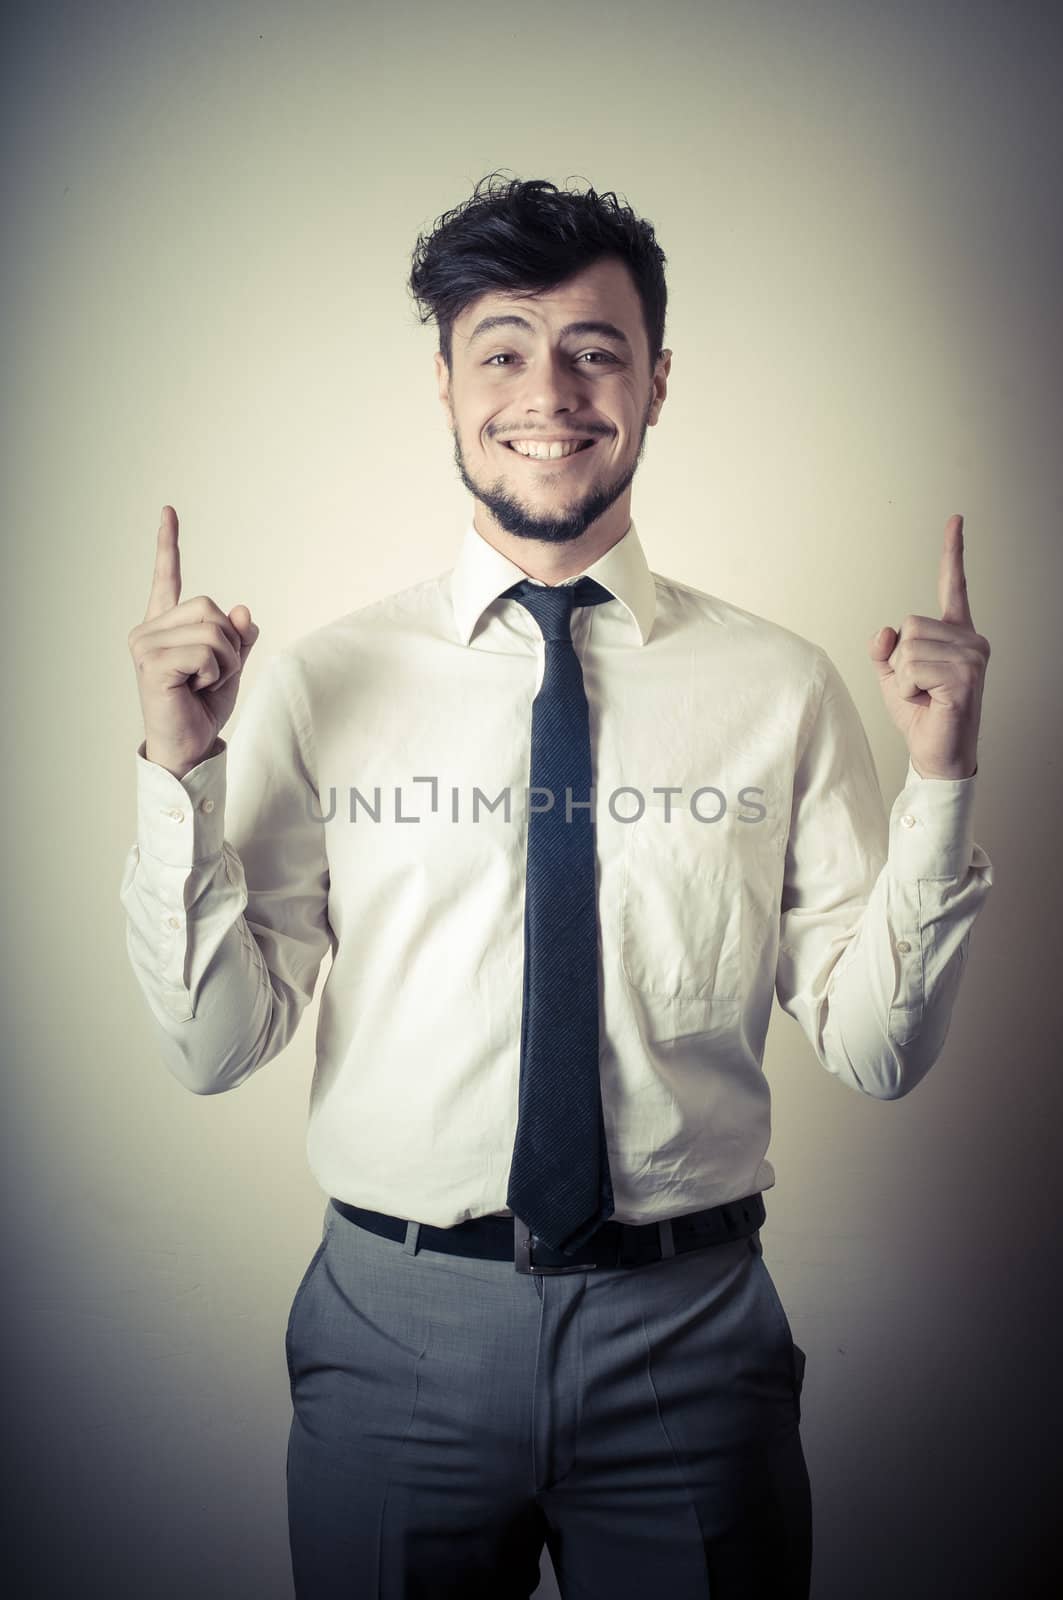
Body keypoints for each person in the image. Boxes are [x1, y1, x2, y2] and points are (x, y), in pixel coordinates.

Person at [120, 172, 994, 1599]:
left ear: (656, 379)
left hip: (692, 1343)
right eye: (503, 348)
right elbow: (215, 1045)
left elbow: (878, 1049)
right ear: (449, 386)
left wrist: (943, 783)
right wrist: (177, 770)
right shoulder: (322, 683)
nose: (551, 389)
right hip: (392, 1338)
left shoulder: (781, 689)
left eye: (595, 347)